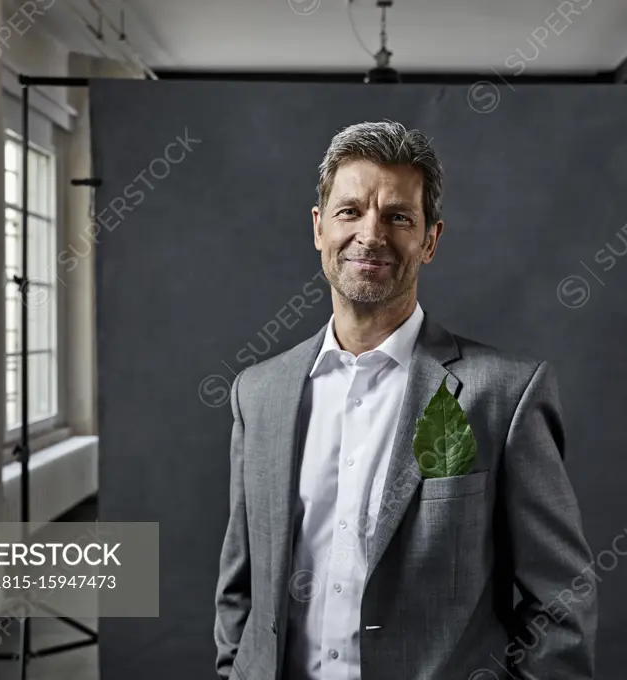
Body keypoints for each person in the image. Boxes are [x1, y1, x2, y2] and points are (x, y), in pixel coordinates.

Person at [214, 120, 596, 680]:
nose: (371, 234)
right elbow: (239, 582)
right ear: (319, 228)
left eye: (398, 216)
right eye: (350, 211)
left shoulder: (506, 394)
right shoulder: (259, 392)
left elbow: (562, 601)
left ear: (430, 239)